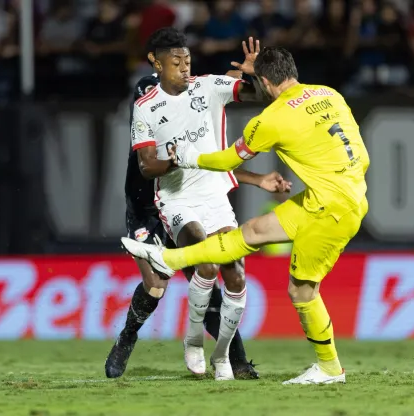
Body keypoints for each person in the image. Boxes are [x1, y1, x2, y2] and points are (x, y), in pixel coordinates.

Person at [122, 46, 370, 385]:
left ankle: (329, 368)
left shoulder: (271, 120)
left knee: (302, 292)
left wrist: (189, 154)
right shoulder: (328, 93)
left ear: (265, 81)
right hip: (340, 193)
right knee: (251, 233)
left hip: (331, 211)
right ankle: (169, 259)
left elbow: (226, 162)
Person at [106, 28, 290, 380]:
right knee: (157, 285)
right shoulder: (147, 107)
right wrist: (178, 159)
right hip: (149, 205)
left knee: (212, 271)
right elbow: (148, 168)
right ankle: (127, 337)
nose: (184, 68)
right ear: (156, 66)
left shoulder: (203, 90)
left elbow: (213, 160)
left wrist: (253, 77)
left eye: (186, 61)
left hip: (196, 198)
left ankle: (233, 359)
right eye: (175, 62)